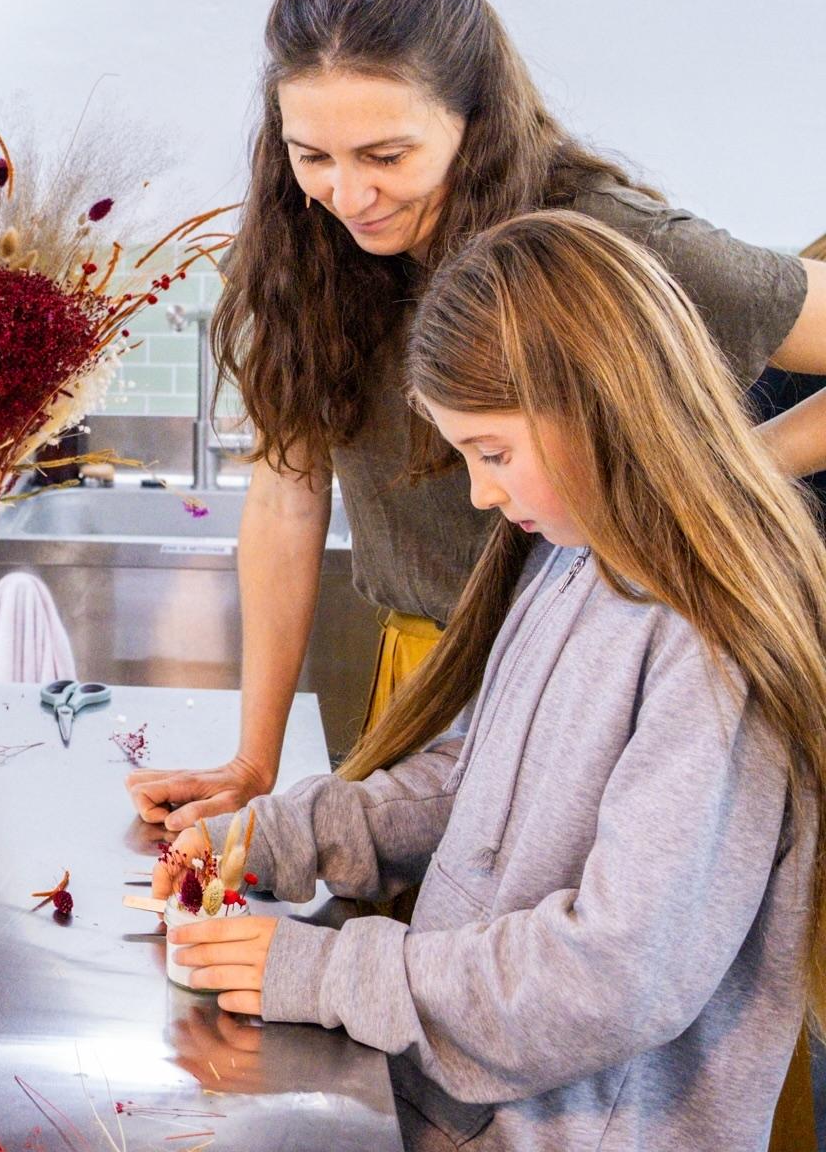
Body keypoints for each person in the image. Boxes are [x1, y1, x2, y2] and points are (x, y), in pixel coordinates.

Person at [127, 0, 826, 835]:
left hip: (593, 695)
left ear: (474, 117)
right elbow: (287, 500)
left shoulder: (603, 239)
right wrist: (255, 760)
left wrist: (729, 469)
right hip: (417, 689)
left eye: (387, 156)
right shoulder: (301, 251)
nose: (349, 195)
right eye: (313, 157)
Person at [156, 210, 826, 1151]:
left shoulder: (712, 636)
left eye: (493, 454)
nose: (479, 493)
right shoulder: (573, 553)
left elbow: (619, 973)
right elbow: (480, 781)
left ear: (597, 401)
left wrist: (329, 973)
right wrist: (275, 835)